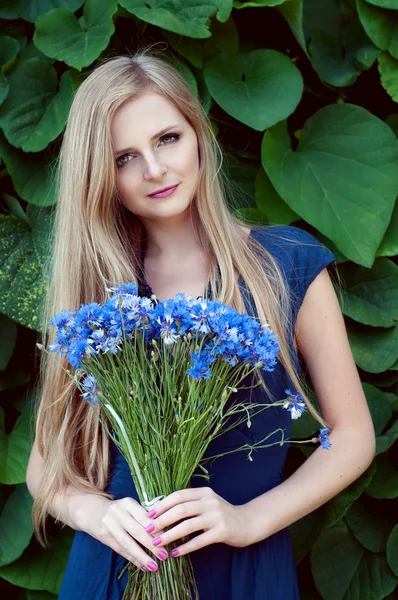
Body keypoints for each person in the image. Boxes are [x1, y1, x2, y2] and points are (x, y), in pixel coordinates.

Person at [26, 46, 376, 600]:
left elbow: (353, 436)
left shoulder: (284, 263)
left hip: (245, 570)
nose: (155, 169)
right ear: (100, 176)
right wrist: (97, 515)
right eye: (124, 158)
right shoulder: (95, 290)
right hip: (116, 572)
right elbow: (44, 467)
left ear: (198, 135)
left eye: (168, 138)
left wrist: (250, 521)